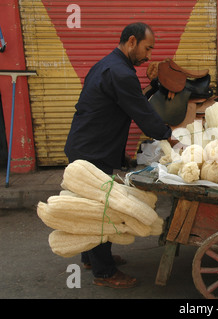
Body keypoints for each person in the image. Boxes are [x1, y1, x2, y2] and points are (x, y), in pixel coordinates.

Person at [64, 22, 172, 288]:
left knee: (91, 207)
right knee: (102, 209)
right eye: (147, 48)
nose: (149, 56)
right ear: (132, 41)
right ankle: (104, 272)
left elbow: (107, 112)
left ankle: (91, 257)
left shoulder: (106, 65)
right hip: (92, 151)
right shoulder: (121, 73)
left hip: (88, 145)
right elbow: (142, 114)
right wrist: (169, 135)